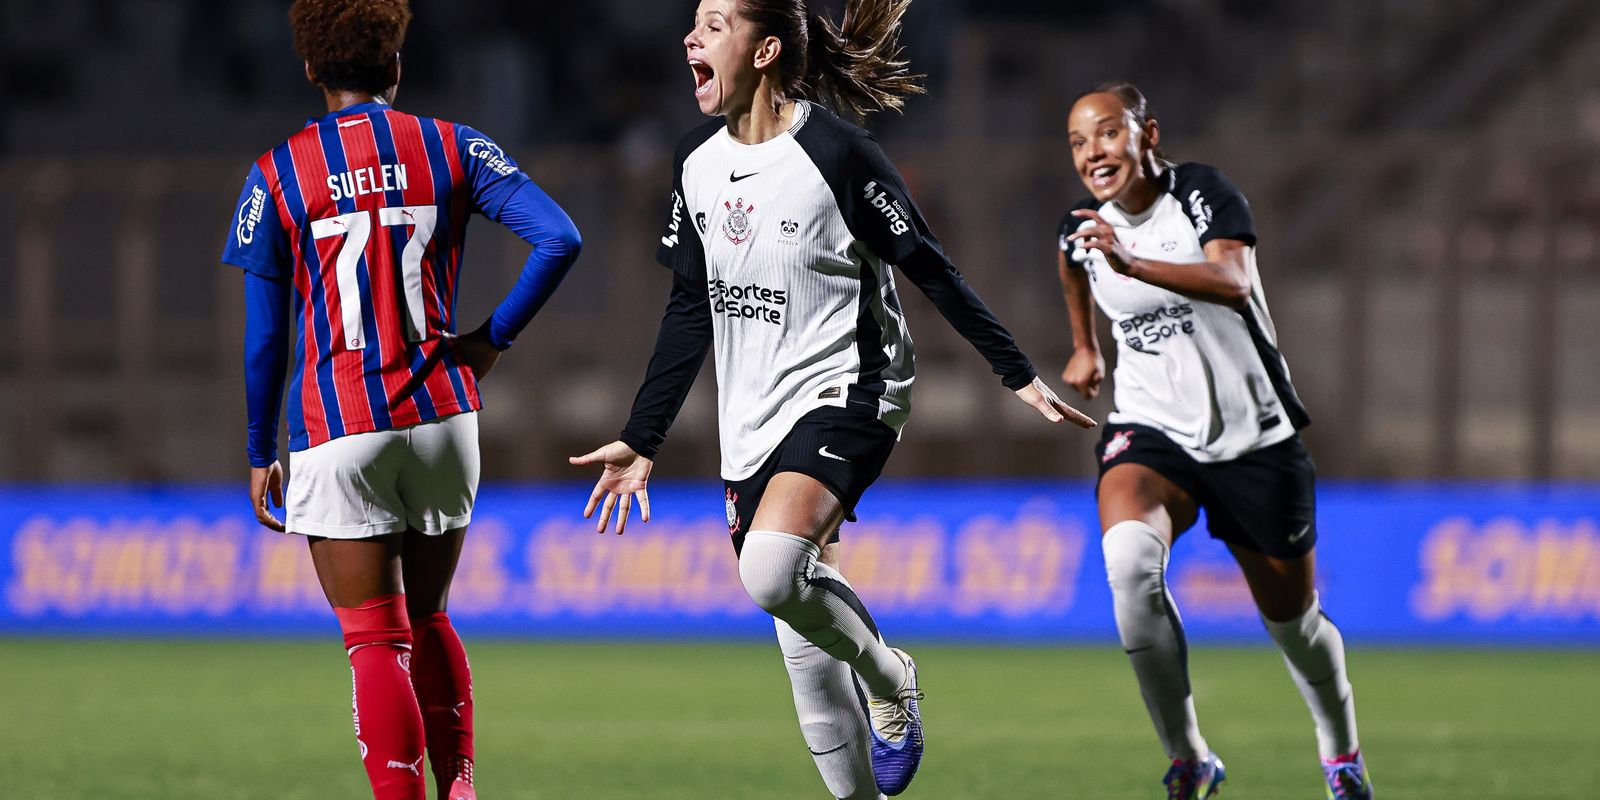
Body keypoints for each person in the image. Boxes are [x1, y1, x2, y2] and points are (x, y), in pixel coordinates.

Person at [569, 1, 1094, 797]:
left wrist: (1014, 370)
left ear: (766, 47)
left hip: (850, 388)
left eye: (713, 24)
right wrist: (643, 438)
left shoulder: (839, 153)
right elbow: (689, 308)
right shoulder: (695, 162)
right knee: (800, 642)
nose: (690, 36)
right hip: (749, 419)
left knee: (774, 569)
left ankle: (892, 680)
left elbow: (929, 266)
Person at [220, 2, 582, 798]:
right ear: (394, 65)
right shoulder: (453, 144)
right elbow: (560, 237)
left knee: (376, 641)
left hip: (340, 423)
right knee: (431, 615)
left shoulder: (277, 172)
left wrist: (257, 449)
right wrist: (491, 339)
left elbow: (264, 342)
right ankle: (460, 786)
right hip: (445, 417)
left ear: (312, 69)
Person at [1055, 82, 1372, 800]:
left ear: (1148, 135)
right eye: (1077, 142)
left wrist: (1132, 265)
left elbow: (1231, 277)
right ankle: (1189, 756)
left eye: (1107, 133)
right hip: (1151, 430)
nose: (1092, 153)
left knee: (1295, 626)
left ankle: (1340, 749)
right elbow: (1073, 264)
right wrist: (1084, 346)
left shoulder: (1201, 193)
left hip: (1254, 437)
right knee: (1129, 568)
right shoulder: (1082, 227)